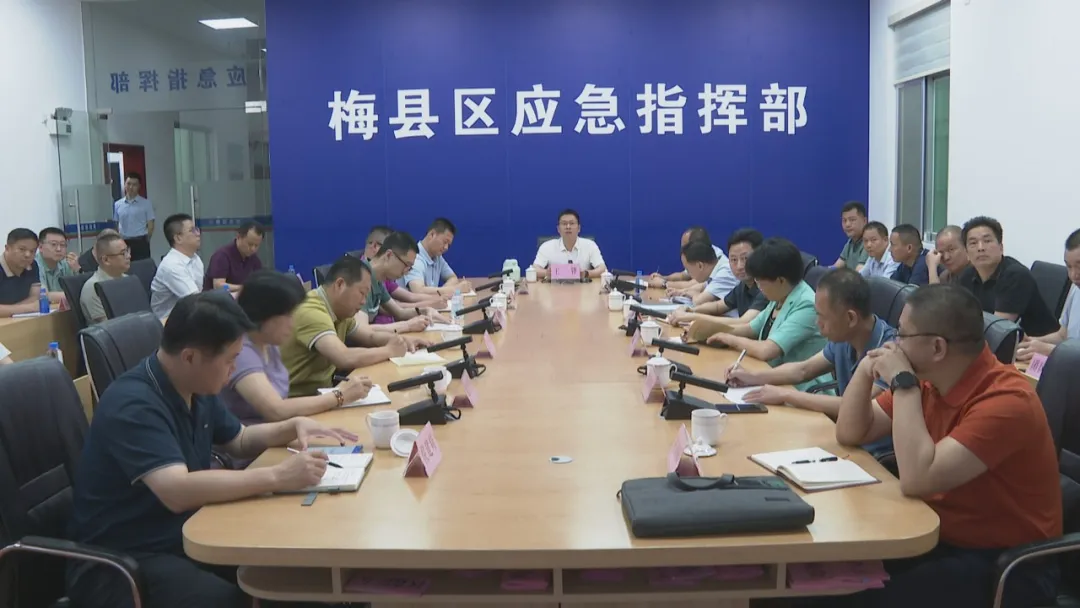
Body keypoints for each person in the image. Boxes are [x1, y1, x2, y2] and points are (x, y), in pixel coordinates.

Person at [65, 291, 357, 608]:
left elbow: (239, 439)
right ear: (190, 357)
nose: (234, 368)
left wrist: (290, 426)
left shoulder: (194, 384)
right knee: (234, 598)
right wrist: (277, 476)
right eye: (230, 360)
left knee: (295, 569)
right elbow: (176, 490)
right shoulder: (133, 404)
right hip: (123, 559)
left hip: (187, 532)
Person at [833, 285, 1061, 607]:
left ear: (937, 347)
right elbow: (850, 431)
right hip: (936, 533)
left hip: (1005, 564)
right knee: (826, 578)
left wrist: (903, 384)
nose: (894, 343)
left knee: (855, 599)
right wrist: (867, 369)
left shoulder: (1007, 401)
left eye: (902, 334)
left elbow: (917, 479)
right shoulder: (932, 379)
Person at [725, 268, 897, 457]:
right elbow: (804, 370)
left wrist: (786, 395)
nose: (817, 323)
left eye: (822, 316)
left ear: (850, 318)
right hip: (844, 439)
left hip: (875, 455)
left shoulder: (889, 353)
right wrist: (752, 377)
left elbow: (856, 409)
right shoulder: (845, 338)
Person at [222, 270, 374, 425]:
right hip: (260, 437)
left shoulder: (268, 342)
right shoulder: (241, 352)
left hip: (282, 429)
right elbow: (276, 410)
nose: (292, 323)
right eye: (288, 316)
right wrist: (340, 395)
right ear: (265, 315)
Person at [282, 255, 420, 397]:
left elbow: (370, 336)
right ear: (340, 285)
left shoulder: (340, 311)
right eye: (362, 293)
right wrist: (389, 350)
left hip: (323, 392)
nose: (363, 301)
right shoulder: (312, 311)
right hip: (297, 399)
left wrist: (398, 340)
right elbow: (344, 357)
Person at [705, 237, 829, 391]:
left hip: (802, 388)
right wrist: (712, 331)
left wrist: (729, 338)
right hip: (773, 378)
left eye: (760, 281)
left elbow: (767, 351)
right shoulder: (780, 296)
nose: (758, 287)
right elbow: (751, 328)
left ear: (781, 280)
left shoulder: (807, 304)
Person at [957, 216, 1060, 337]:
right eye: (973, 243)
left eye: (987, 241)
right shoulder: (967, 275)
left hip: (1038, 343)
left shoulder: (1015, 275)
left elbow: (997, 331)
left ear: (1001, 248)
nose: (981, 248)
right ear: (967, 253)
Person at [668, 228, 767, 325]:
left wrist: (692, 316)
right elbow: (718, 306)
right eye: (734, 259)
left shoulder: (765, 286)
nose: (739, 266)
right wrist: (691, 310)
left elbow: (744, 322)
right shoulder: (743, 286)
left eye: (745, 258)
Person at [362, 231, 449, 332]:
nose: (406, 272)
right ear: (389, 255)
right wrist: (408, 325)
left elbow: (400, 313)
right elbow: (361, 329)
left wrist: (425, 310)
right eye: (406, 265)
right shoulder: (360, 278)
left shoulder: (378, 281)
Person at [1017, 228, 1080, 361]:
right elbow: (1063, 336)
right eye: (1069, 267)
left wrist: (1050, 350)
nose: (1074, 275)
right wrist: (1032, 343)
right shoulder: (1076, 289)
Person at [150, 214, 205, 321]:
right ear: (178, 238)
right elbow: (195, 300)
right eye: (192, 231)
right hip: (167, 322)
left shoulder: (195, 258)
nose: (198, 234)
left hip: (189, 315)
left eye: (197, 229)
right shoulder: (172, 266)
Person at [650, 226, 733, 294]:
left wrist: (664, 284)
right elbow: (684, 275)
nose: (683, 250)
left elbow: (696, 283)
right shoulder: (704, 253)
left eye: (685, 247)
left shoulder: (717, 265)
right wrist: (664, 278)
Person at [403, 218, 472, 296]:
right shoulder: (414, 257)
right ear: (432, 235)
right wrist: (454, 289)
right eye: (445, 242)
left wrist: (443, 291)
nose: (446, 248)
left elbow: (452, 277)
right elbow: (418, 290)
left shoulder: (437, 257)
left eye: (449, 245)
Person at [532, 209, 607, 280]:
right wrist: (547, 273)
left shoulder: (590, 245)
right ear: (558, 229)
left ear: (579, 228)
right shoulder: (547, 246)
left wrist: (586, 274)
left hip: (583, 287)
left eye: (572, 223)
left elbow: (602, 268)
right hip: (554, 287)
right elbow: (534, 269)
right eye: (564, 224)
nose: (568, 227)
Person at [80, 233, 131, 325]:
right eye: (123, 253)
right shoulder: (93, 287)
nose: (129, 256)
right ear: (106, 260)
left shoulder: (128, 280)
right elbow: (109, 326)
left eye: (128, 251)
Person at [673, 240, 739, 308]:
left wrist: (693, 294)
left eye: (687, 269)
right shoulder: (715, 269)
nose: (688, 273)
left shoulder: (725, 273)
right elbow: (703, 286)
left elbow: (699, 302)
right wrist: (682, 291)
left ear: (700, 266)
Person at [203, 221, 264, 291]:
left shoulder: (254, 259)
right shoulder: (222, 256)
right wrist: (243, 289)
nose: (253, 249)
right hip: (219, 297)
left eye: (256, 245)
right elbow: (218, 286)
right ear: (238, 237)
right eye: (250, 244)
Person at [112, 171, 155, 261]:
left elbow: (150, 225)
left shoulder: (146, 203)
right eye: (128, 184)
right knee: (125, 266)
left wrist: (146, 239)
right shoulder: (117, 204)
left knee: (142, 266)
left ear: (139, 186)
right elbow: (116, 224)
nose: (131, 187)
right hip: (124, 242)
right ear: (124, 185)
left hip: (140, 242)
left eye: (134, 185)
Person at [0, 228, 42, 317]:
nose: (28, 255)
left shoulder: (32, 265)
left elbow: (35, 297)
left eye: (32, 251)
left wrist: (9, 310)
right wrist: (27, 308)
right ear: (7, 248)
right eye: (22, 249)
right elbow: (33, 306)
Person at [36, 226, 79, 303]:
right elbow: (43, 295)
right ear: (40, 247)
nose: (59, 249)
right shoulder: (34, 265)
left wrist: (77, 270)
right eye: (53, 244)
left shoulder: (67, 263)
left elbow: (79, 288)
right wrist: (74, 295)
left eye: (62, 245)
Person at [832, 201, 868, 271]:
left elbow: (859, 273)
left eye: (852, 220)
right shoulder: (850, 242)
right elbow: (836, 267)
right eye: (844, 220)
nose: (847, 224)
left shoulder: (869, 242)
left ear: (864, 221)